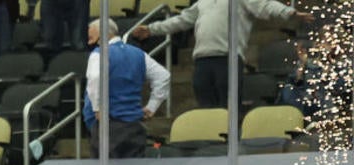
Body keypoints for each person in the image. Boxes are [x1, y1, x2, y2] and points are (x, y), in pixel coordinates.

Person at [131, 0, 312, 109]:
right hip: (202, 61)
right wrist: (152, 29)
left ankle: (228, 148)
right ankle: (211, 145)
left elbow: (264, 5)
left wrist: (289, 12)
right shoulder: (203, 2)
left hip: (228, 59)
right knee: (206, 106)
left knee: (228, 107)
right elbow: (182, 20)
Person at [83, 18, 170, 159]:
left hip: (108, 125)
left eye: (91, 33)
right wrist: (152, 106)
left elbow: (94, 78)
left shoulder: (99, 54)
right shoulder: (139, 54)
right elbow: (163, 75)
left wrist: (97, 108)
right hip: (134, 126)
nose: (89, 37)